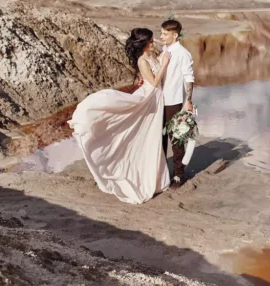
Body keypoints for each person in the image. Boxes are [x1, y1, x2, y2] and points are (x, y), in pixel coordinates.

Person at [67, 28, 171, 204]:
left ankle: (156, 178)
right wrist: (164, 64)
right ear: (143, 43)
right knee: (145, 134)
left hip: (155, 97)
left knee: (151, 138)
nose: (153, 43)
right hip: (150, 97)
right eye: (151, 41)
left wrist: (158, 63)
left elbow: (150, 76)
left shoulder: (151, 55)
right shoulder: (142, 60)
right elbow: (154, 83)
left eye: (153, 40)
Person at [159, 19, 195, 189]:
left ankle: (179, 175)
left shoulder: (183, 53)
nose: (161, 36)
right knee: (160, 138)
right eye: (161, 33)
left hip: (174, 102)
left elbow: (189, 78)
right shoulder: (164, 49)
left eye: (165, 34)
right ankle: (162, 172)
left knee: (177, 139)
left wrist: (188, 100)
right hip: (159, 101)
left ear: (175, 35)